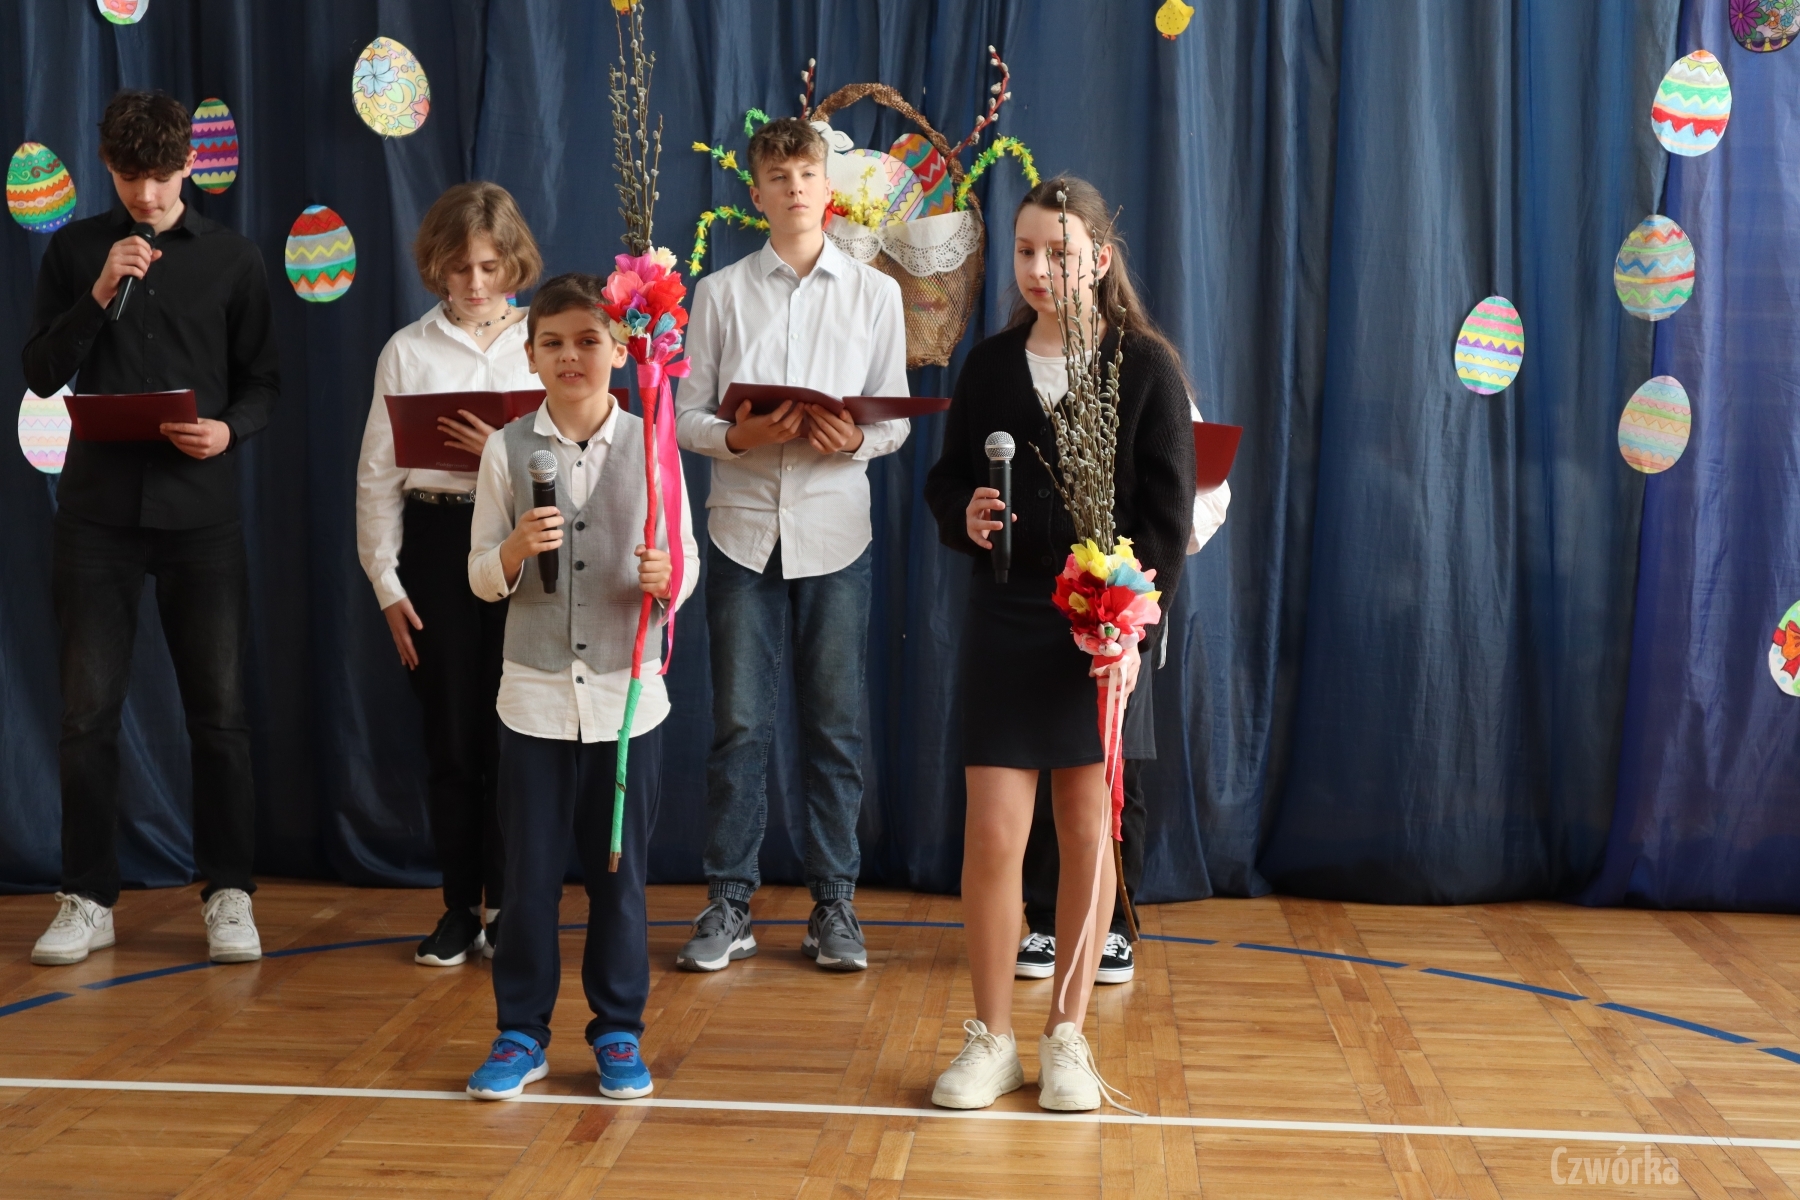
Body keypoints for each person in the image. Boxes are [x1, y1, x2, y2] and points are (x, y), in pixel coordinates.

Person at [922, 176, 1194, 1111]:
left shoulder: (1145, 367)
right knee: (995, 835)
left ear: (1100, 260)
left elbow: (1166, 522)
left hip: (1100, 630)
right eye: (1027, 251)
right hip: (1005, 621)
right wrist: (963, 516)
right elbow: (946, 483)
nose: (1040, 269)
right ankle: (992, 1038)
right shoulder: (990, 366)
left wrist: (1127, 622)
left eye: (1060, 253)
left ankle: (1067, 1038)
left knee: (1087, 832)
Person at [21, 90, 279, 967]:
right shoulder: (74, 252)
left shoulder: (234, 258)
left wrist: (228, 431)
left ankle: (230, 891)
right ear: (108, 167)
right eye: (131, 176)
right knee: (86, 715)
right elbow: (41, 374)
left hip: (201, 513)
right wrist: (99, 291)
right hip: (96, 514)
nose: (147, 194)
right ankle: (89, 896)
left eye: (162, 176)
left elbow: (264, 384)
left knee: (221, 714)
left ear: (189, 166)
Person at [673, 116, 910, 973]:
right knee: (738, 724)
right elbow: (686, 417)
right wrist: (741, 436)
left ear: (827, 187)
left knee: (835, 724)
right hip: (742, 530)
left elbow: (893, 420)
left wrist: (855, 440)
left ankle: (834, 904)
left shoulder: (874, 294)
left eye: (807, 173)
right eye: (778, 176)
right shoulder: (718, 292)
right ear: (757, 193)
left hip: (836, 531)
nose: (795, 187)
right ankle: (729, 901)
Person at [462, 273, 698, 1102]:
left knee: (618, 877)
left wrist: (669, 580)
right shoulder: (504, 450)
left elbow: (685, 564)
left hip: (626, 702)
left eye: (589, 341)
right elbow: (479, 577)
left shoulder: (654, 441)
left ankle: (618, 1029)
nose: (571, 356)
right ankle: (521, 1032)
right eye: (553, 342)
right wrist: (513, 551)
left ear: (621, 350)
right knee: (527, 879)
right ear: (529, 355)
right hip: (532, 700)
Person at [355, 182, 543, 967]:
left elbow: (584, 458)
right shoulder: (408, 349)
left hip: (525, 538)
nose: (474, 283)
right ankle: (461, 906)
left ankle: (511, 904)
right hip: (437, 540)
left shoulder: (546, 341)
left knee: (519, 734)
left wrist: (497, 452)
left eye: (490, 267)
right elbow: (376, 477)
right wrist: (387, 584)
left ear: (513, 263)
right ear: (436, 264)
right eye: (460, 267)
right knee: (453, 733)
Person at [1016, 414, 1230, 985]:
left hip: (1126, 608)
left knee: (1118, 767)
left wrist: (1140, 551)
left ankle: (1112, 924)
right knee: (1049, 764)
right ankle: (1046, 920)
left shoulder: (1159, 387)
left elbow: (1211, 497)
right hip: (1051, 600)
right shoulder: (1042, 382)